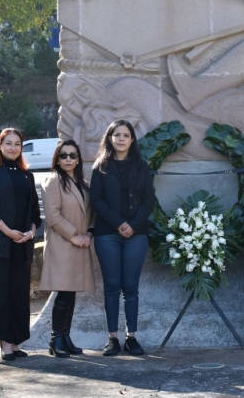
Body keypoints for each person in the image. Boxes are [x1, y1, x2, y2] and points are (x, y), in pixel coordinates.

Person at [90, 119, 155, 356]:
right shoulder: (100, 167)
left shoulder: (141, 166)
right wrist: (119, 223)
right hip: (107, 235)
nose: (121, 139)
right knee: (111, 288)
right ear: (109, 138)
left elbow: (149, 199)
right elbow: (96, 200)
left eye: (126, 135)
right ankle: (112, 339)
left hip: (136, 235)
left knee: (131, 288)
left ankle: (131, 338)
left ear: (132, 139)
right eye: (117, 135)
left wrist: (134, 225)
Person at [0, 128, 42, 361]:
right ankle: (5, 342)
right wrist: (9, 232)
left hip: (22, 245)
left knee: (18, 294)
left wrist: (30, 233)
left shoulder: (28, 175)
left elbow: (36, 213)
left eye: (17, 144)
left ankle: (15, 341)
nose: (13, 147)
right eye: (8, 143)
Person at [40, 140, 96, 358]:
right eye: (64, 155)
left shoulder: (82, 182)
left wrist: (89, 233)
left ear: (78, 158)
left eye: (72, 155)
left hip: (81, 243)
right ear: (57, 158)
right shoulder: (53, 181)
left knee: (71, 294)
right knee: (63, 293)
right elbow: (53, 216)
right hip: (63, 244)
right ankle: (56, 339)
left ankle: (65, 336)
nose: (68, 159)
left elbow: (91, 212)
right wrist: (74, 236)